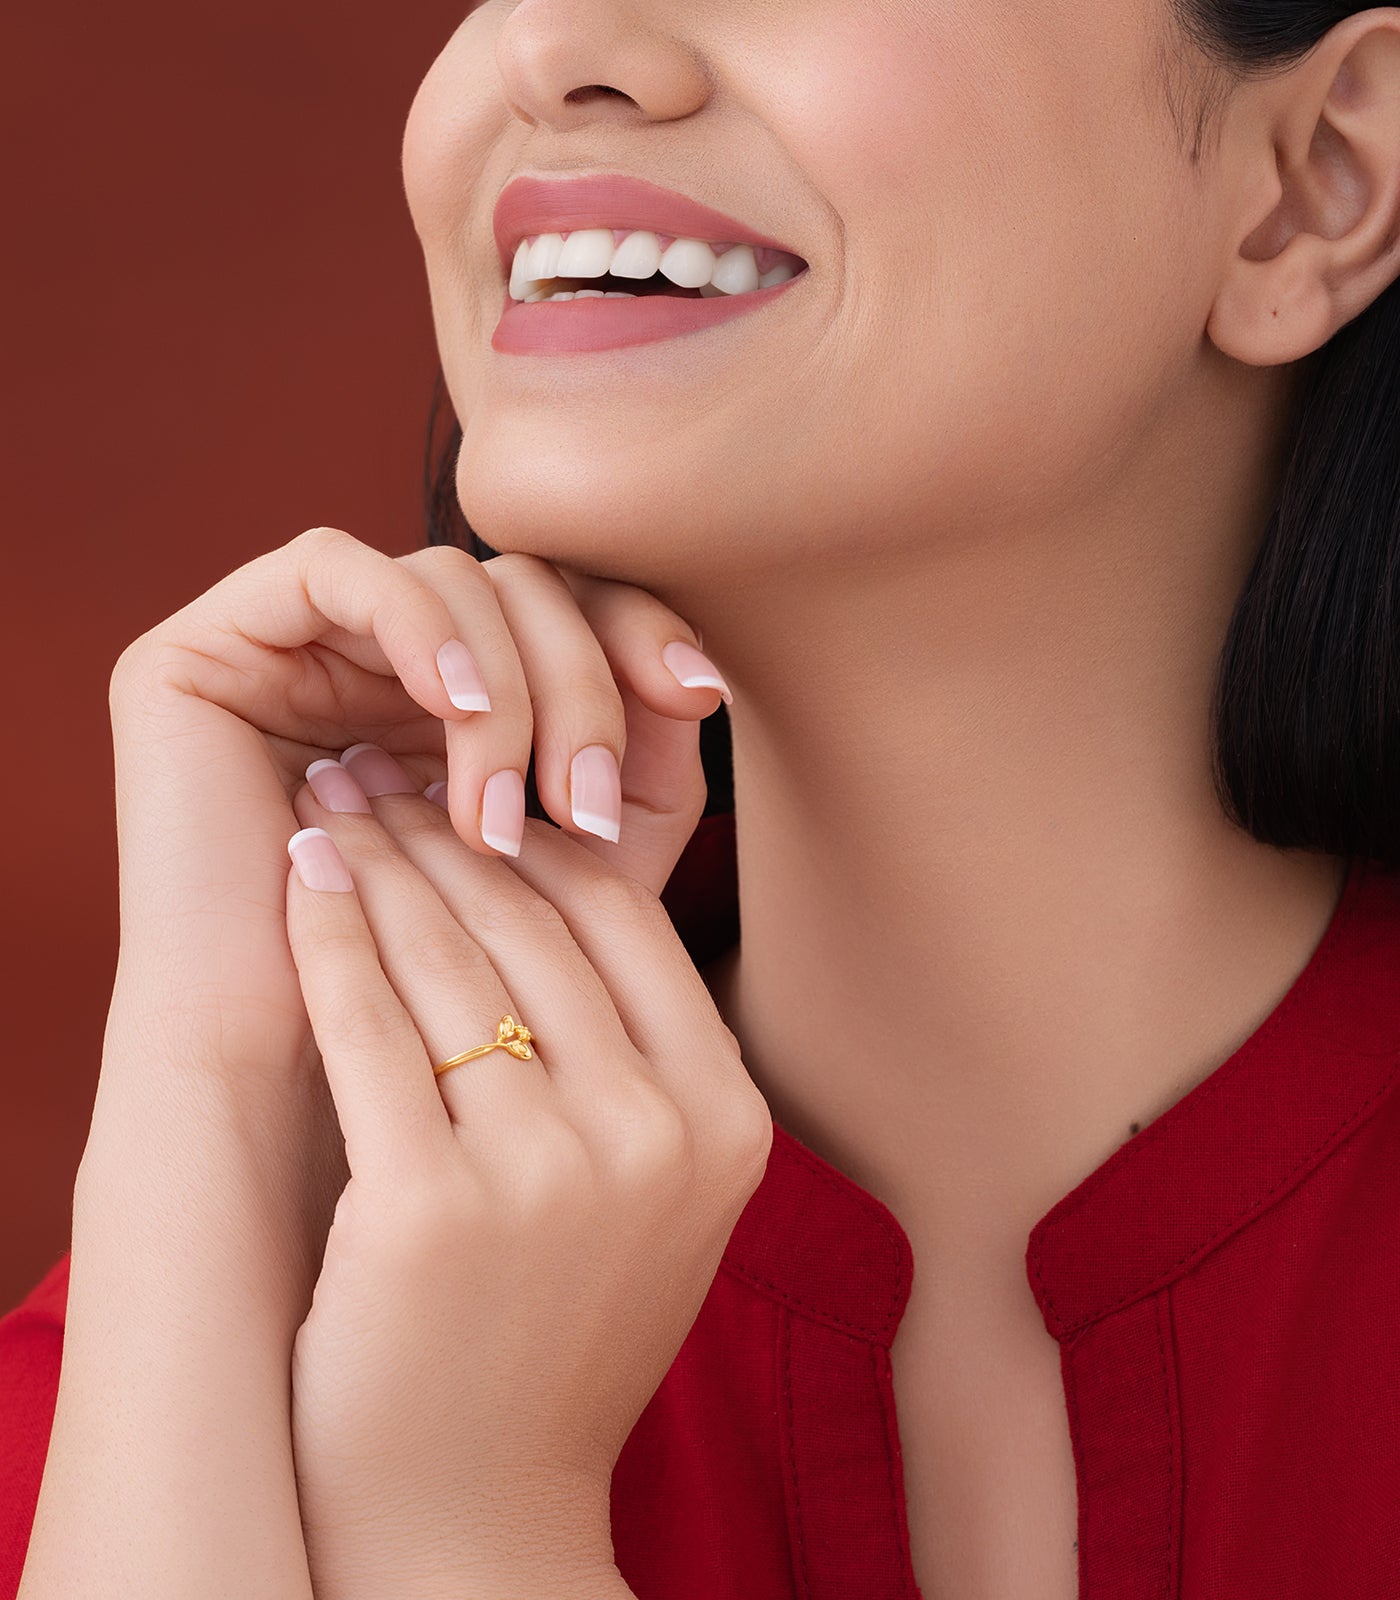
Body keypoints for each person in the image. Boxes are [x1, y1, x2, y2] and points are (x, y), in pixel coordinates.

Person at [4, 0, 1400, 1596]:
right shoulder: (150, 1371)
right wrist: (214, 1090)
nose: (557, 47)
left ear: (1313, 179)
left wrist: (463, 1526)